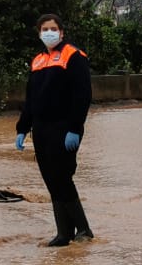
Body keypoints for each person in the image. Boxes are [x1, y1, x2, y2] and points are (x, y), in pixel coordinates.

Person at [15, 14, 93, 247]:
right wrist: (22, 128)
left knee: (62, 177)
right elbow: (30, 99)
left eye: (53, 28)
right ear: (39, 33)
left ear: (61, 32)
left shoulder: (73, 56)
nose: (49, 32)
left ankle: (84, 229)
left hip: (64, 127)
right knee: (50, 179)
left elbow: (83, 95)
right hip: (40, 128)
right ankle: (64, 232)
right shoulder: (38, 61)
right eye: (44, 29)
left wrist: (75, 128)